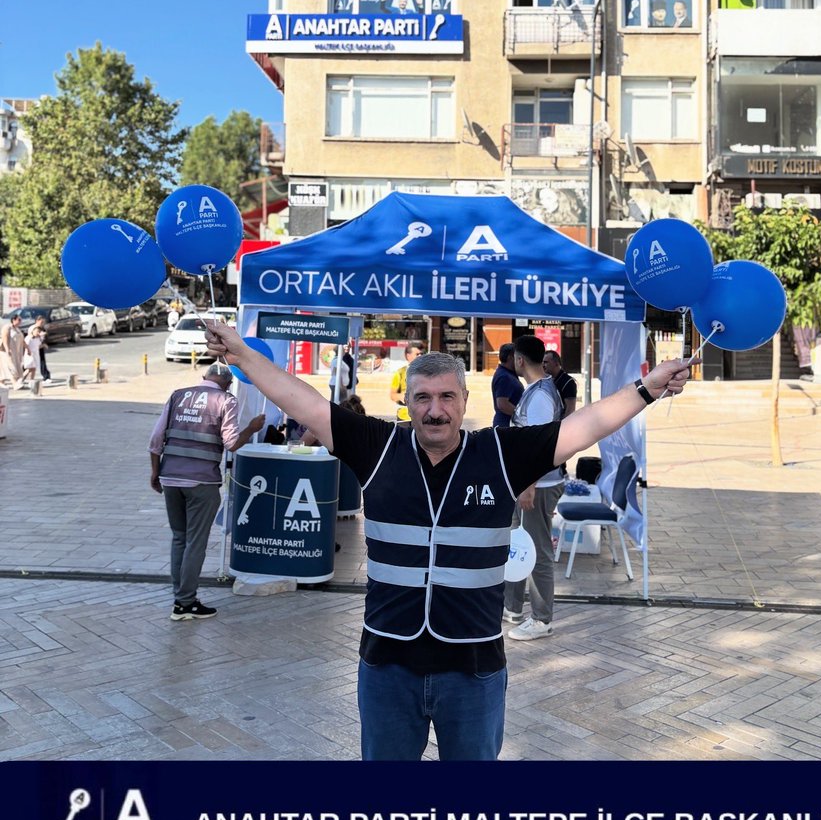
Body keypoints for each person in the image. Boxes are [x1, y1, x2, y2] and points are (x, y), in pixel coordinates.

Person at [203, 319, 691, 760]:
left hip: (473, 669)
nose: (435, 411)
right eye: (422, 398)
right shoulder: (377, 446)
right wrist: (243, 355)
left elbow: (585, 427)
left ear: (464, 402)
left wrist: (645, 389)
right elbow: (302, 401)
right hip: (388, 664)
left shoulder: (502, 454)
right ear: (407, 403)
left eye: (446, 398)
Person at [148, 362, 265, 621]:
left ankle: (180, 599)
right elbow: (232, 442)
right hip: (202, 483)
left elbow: (155, 440)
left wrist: (155, 472)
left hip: (170, 478)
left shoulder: (178, 395)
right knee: (195, 542)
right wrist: (252, 428)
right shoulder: (226, 400)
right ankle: (185, 603)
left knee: (179, 538)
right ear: (228, 383)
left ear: (204, 377)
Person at [503, 335, 565, 642]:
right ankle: (511, 607)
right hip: (525, 484)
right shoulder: (535, 391)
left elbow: (539, 448)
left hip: (538, 486)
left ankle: (542, 619)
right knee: (516, 543)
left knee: (538, 551)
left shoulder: (540, 396)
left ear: (518, 359)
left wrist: (529, 486)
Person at [389, 340, 425, 421]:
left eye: (422, 354)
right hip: (404, 417)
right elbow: (392, 395)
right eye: (417, 354)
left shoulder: (429, 373)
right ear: (408, 356)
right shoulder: (400, 373)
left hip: (424, 418)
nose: (420, 356)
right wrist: (402, 396)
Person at [491, 342, 523, 428]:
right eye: (517, 357)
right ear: (510, 357)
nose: (520, 360)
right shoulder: (504, 377)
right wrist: (522, 416)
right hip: (505, 426)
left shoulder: (508, 374)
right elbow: (502, 404)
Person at [542, 350, 577, 417]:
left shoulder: (568, 382)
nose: (543, 365)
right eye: (542, 362)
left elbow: (570, 410)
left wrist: (562, 425)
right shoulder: (546, 380)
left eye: (546, 362)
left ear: (556, 363)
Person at [0, 313, 26, 390]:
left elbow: (22, 341)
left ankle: (1, 382)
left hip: (16, 352)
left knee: (9, 367)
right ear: (13, 320)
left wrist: (27, 348)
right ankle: (15, 384)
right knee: (11, 367)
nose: (20, 321)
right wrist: (7, 349)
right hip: (7, 351)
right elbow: (5, 338)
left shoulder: (17, 329)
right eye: (19, 320)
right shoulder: (7, 327)